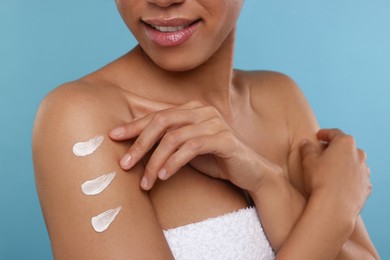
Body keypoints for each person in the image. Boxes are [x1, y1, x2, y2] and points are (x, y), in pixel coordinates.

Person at [32, 0, 379, 259]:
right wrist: (334, 209)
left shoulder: (280, 99)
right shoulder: (82, 119)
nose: (163, 0)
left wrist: (267, 182)